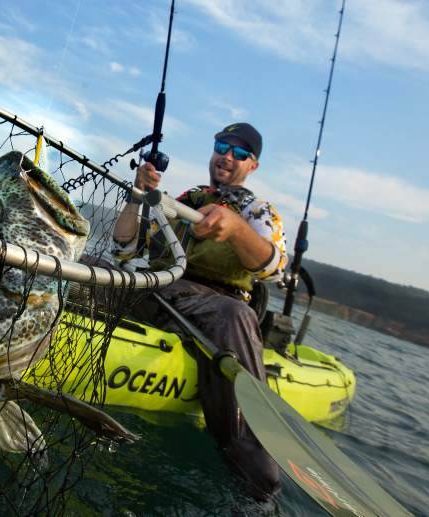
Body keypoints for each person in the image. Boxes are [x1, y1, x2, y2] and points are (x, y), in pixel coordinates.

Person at [112, 122, 288, 500]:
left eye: (240, 153)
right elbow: (125, 250)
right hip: (158, 288)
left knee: (236, 316)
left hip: (215, 307)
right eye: (223, 146)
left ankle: (256, 475)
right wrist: (138, 193)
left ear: (252, 165)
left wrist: (238, 230)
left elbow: (274, 268)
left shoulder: (260, 211)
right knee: (96, 268)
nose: (228, 156)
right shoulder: (186, 198)